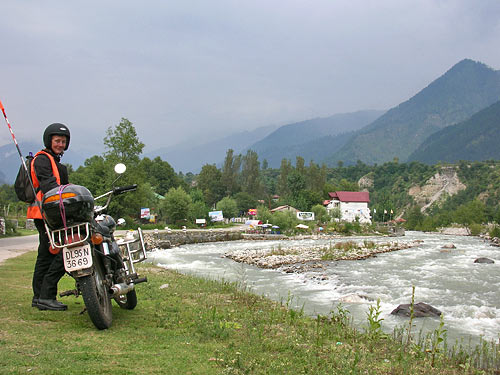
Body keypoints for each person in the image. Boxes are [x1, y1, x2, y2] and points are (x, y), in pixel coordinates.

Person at [28, 123, 71, 311]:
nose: (60, 144)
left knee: (45, 254)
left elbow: (66, 188)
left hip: (54, 212)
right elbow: (49, 186)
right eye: (57, 141)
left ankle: (39, 297)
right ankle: (46, 295)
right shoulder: (42, 159)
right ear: (49, 141)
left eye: (63, 141)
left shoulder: (57, 163)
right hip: (45, 212)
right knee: (63, 249)